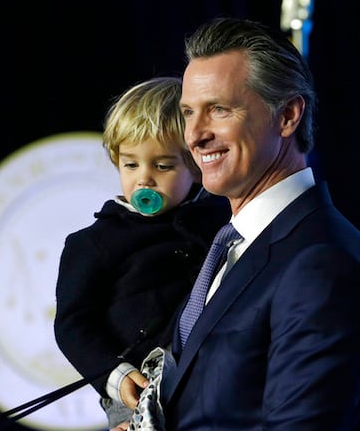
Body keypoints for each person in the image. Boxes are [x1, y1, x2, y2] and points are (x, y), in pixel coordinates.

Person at [156, 17, 360, 430]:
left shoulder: (321, 263)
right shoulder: (231, 247)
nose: (194, 135)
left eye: (219, 110)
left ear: (287, 115)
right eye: (189, 112)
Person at [53, 76, 231, 431]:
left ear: (195, 167)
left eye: (162, 166)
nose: (144, 180)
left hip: (209, 380)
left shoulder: (220, 220)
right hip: (135, 386)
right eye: (131, 165)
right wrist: (117, 376)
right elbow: (72, 325)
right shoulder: (94, 242)